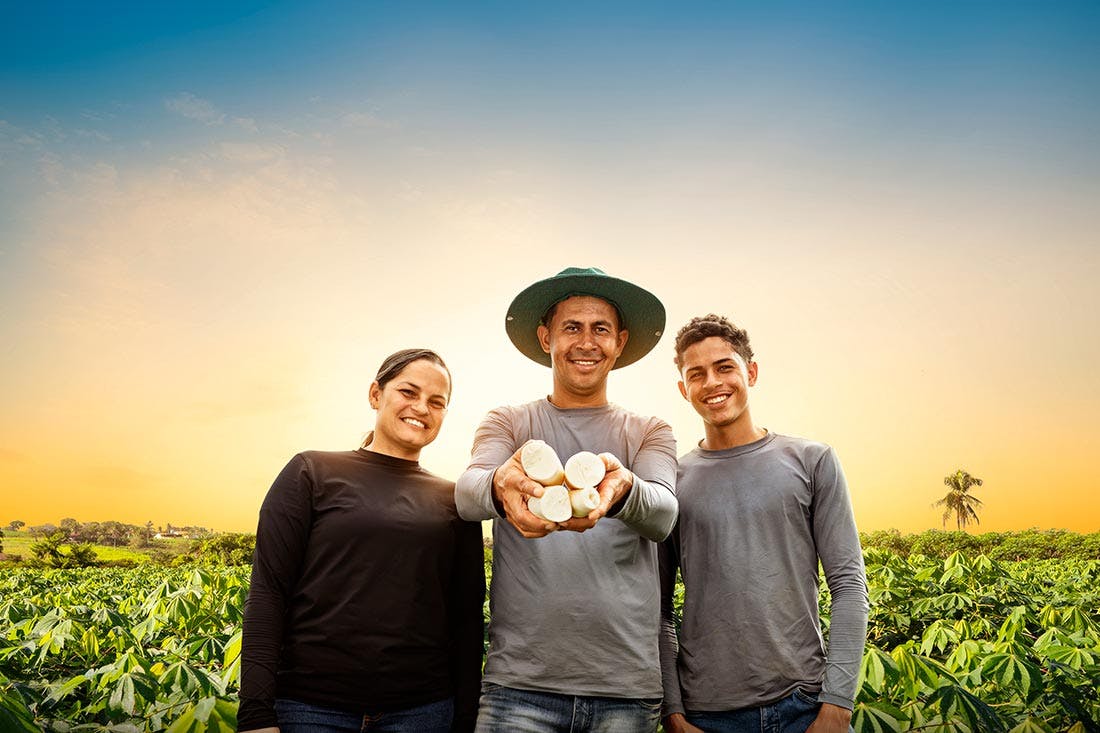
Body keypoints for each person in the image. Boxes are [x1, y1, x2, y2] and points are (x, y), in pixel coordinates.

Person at [455, 267, 679, 732]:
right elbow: (467, 493)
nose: (586, 342)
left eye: (600, 329)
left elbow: (663, 514)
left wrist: (623, 490)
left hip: (626, 691)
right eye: (571, 327)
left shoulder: (649, 431)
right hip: (519, 688)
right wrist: (501, 484)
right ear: (545, 338)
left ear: (618, 342)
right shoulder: (508, 423)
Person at [239, 349, 485, 733]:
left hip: (423, 713)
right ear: (375, 394)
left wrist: (466, 720)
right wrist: (255, 714)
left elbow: (467, 621)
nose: (421, 408)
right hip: (310, 710)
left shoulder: (457, 500)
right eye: (408, 392)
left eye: (437, 402)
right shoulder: (310, 472)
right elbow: (269, 592)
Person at [659, 315, 869, 733]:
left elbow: (848, 584)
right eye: (696, 374)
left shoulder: (812, 460)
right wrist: (674, 713)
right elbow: (658, 609)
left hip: (804, 704)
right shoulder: (671, 482)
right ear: (684, 390)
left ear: (750, 372)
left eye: (725, 367)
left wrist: (837, 706)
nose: (712, 383)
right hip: (707, 715)